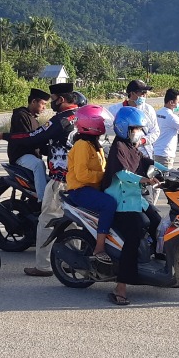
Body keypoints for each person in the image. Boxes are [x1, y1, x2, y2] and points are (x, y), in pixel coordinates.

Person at [10, 83, 81, 277]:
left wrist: (4, 136)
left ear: (62, 99)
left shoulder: (60, 120)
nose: (51, 104)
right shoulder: (83, 116)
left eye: (53, 99)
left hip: (60, 179)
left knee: (47, 219)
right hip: (80, 179)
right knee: (74, 220)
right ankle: (74, 260)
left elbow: (33, 137)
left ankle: (43, 265)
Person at [103, 107, 163, 306]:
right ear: (124, 128)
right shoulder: (118, 147)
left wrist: (169, 170)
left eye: (139, 128)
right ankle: (120, 287)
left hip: (136, 199)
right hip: (122, 203)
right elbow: (122, 174)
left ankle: (157, 264)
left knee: (157, 221)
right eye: (135, 128)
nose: (138, 131)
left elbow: (145, 161)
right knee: (134, 235)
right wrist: (145, 180)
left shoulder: (132, 146)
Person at [64, 105, 118, 261]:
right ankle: (99, 248)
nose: (103, 124)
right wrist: (104, 176)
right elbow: (82, 175)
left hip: (92, 189)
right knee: (109, 204)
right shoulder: (82, 145)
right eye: (100, 121)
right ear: (91, 124)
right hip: (80, 190)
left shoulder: (94, 144)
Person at [6, 88, 51, 202]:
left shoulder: (34, 119)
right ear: (33, 102)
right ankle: (43, 201)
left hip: (31, 156)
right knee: (38, 165)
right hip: (20, 155)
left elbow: (39, 140)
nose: (44, 108)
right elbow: (28, 139)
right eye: (43, 104)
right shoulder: (21, 115)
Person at [108, 79, 159, 158]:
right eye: (142, 93)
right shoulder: (115, 110)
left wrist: (142, 141)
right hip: (124, 154)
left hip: (145, 154)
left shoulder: (148, 109)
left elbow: (155, 131)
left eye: (146, 93)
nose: (144, 96)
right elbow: (106, 128)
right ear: (132, 93)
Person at [152, 88, 179, 168]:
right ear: (171, 102)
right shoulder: (172, 117)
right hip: (165, 155)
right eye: (178, 102)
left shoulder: (157, 113)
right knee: (165, 179)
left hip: (155, 152)